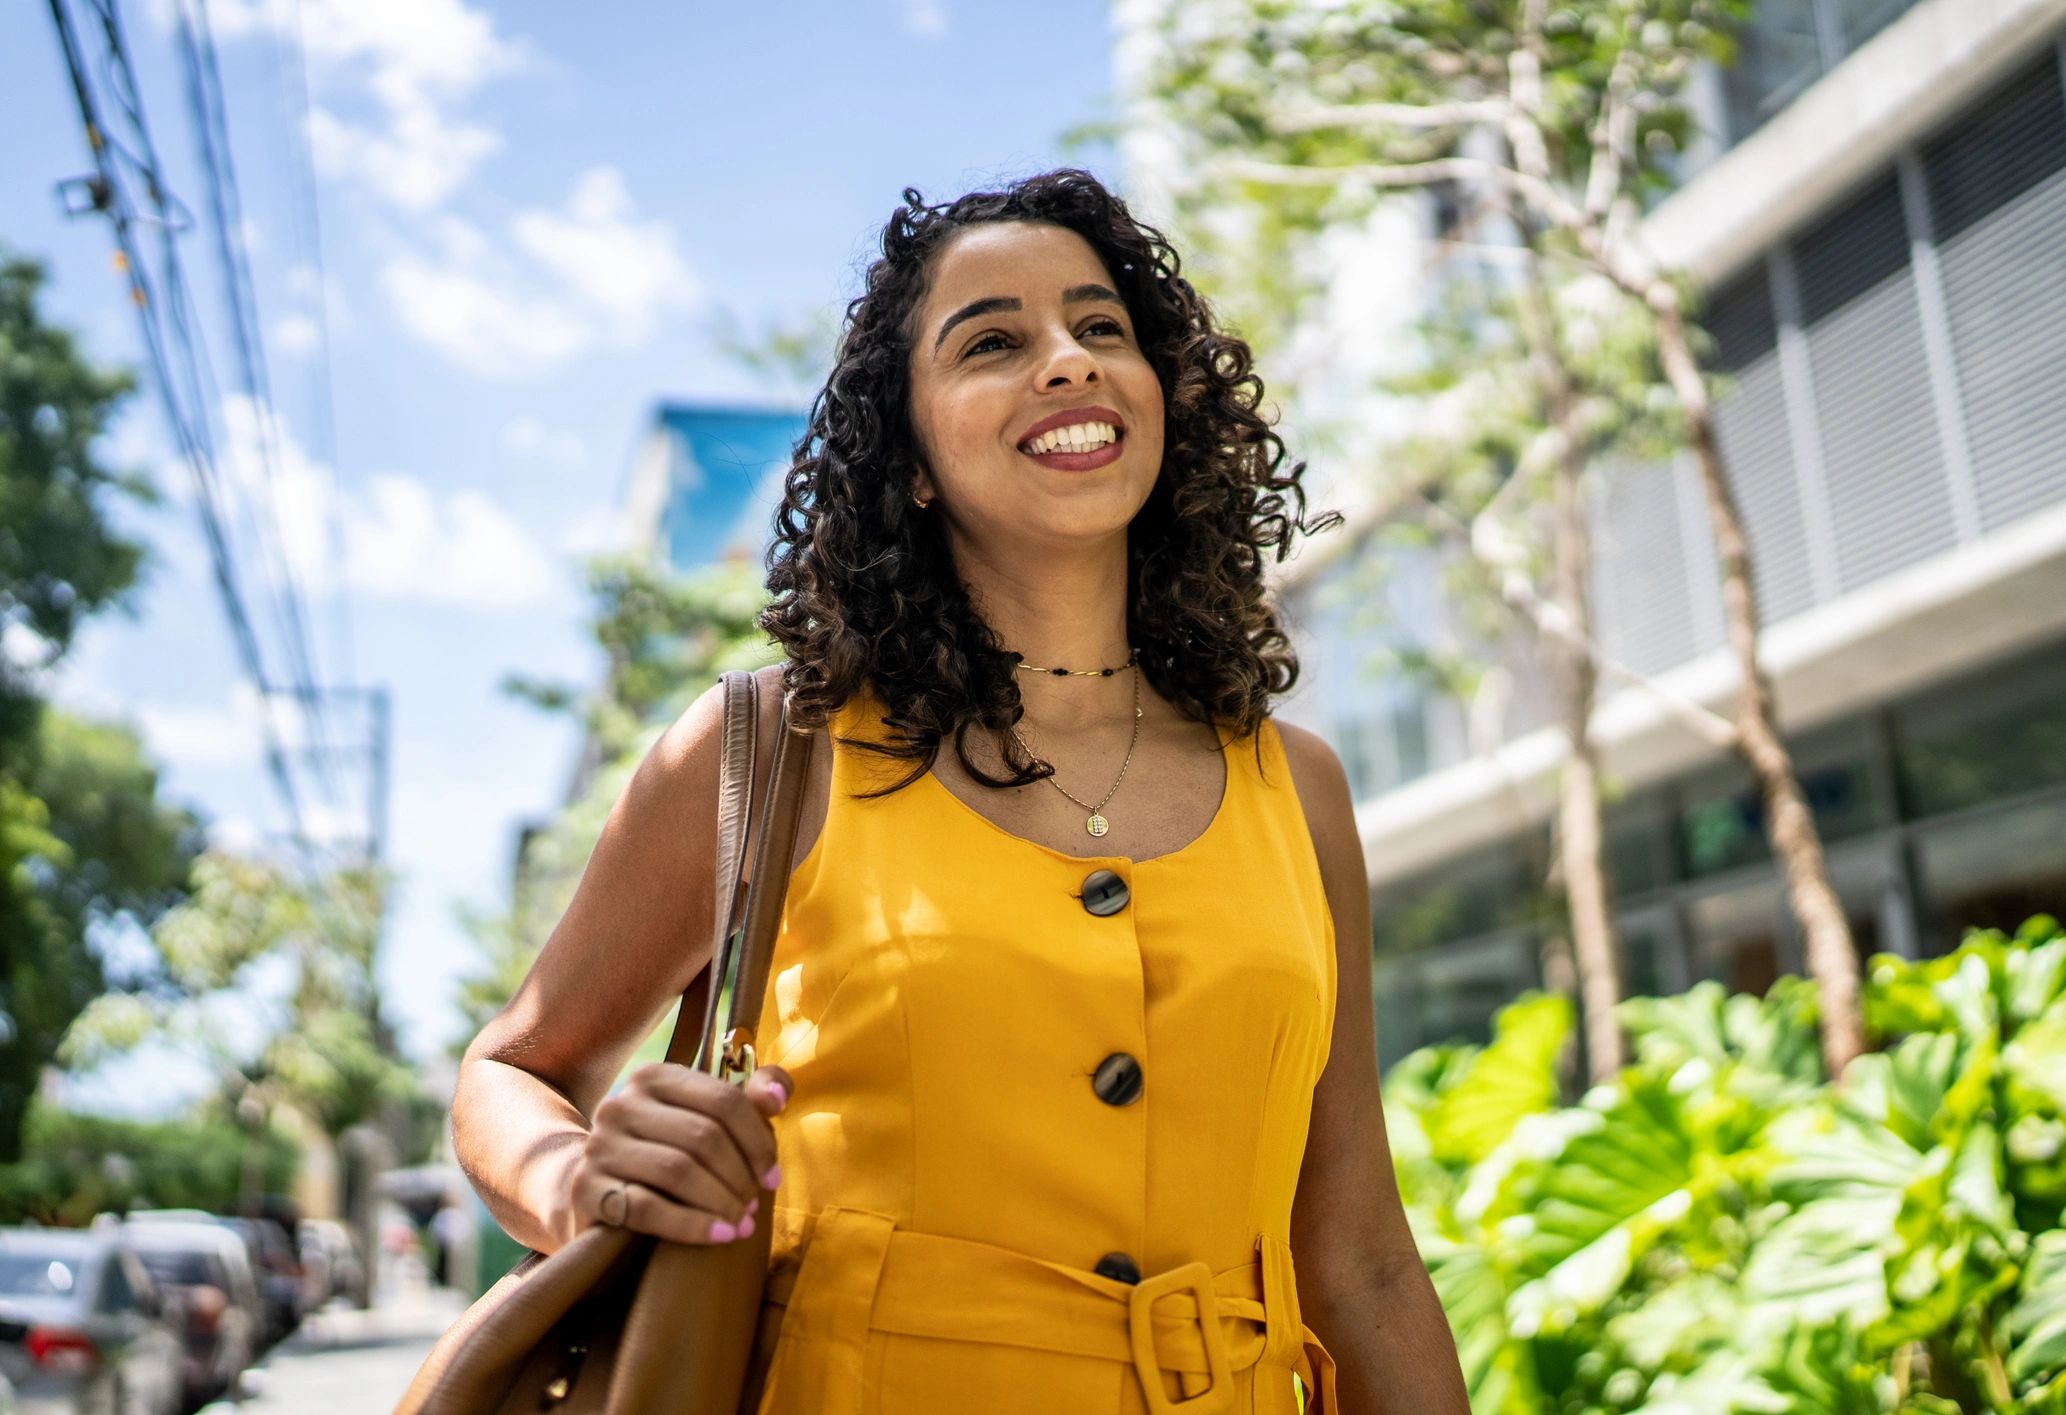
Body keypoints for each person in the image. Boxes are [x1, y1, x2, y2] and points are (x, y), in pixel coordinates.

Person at [452, 168, 1471, 1414]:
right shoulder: (774, 747)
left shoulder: (1298, 789)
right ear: (915, 457)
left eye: (1102, 328)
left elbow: (1359, 1258)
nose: (1069, 361)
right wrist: (577, 1179)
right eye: (993, 341)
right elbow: (514, 1067)